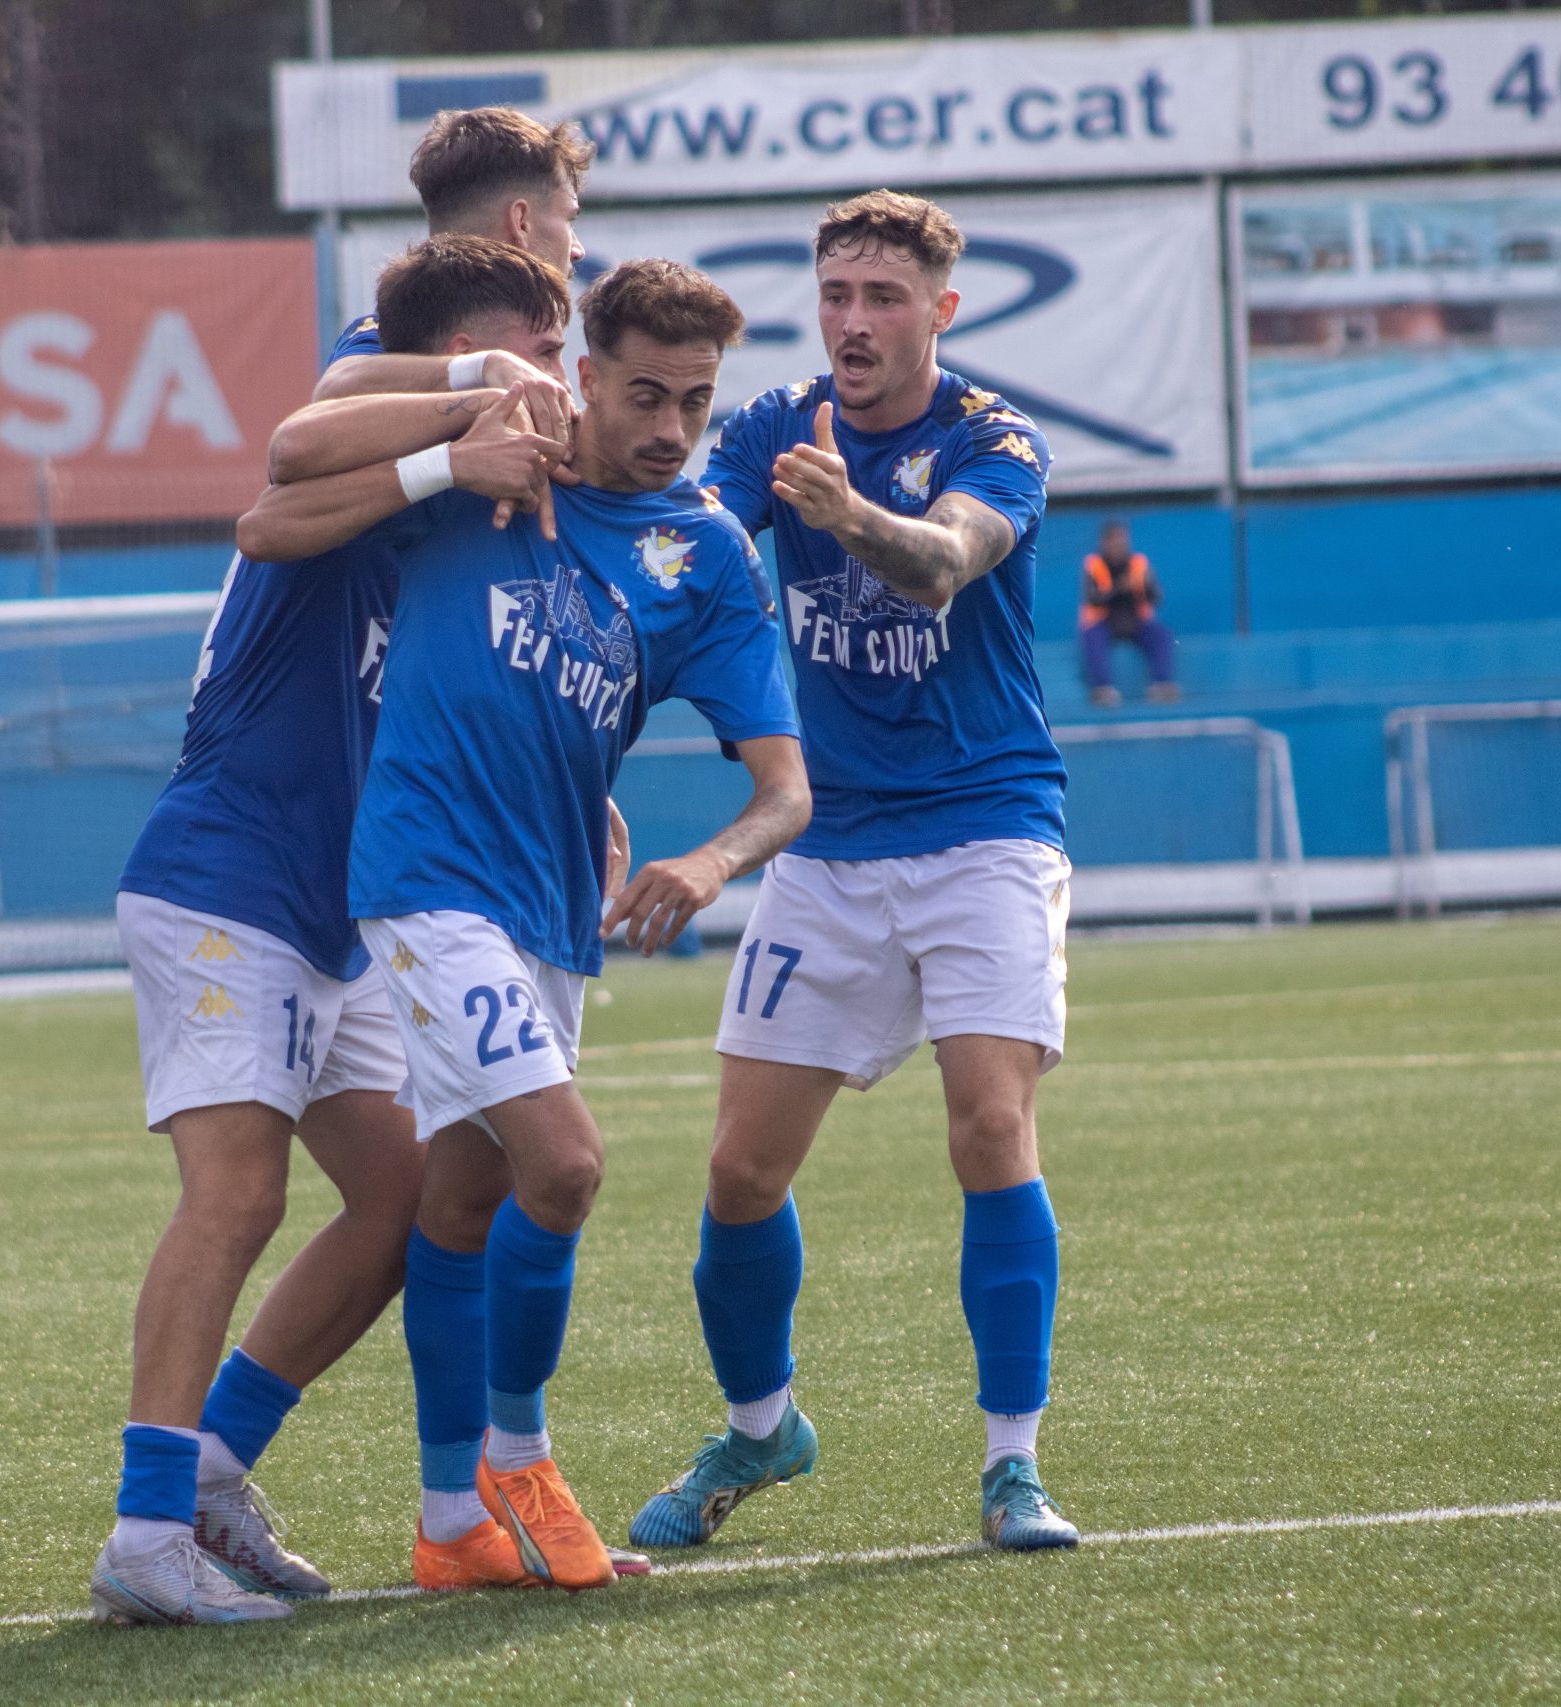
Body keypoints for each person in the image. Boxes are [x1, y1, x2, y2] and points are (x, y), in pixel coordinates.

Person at [240, 258, 810, 1594]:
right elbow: (278, 492)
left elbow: (785, 788)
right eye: (645, 394)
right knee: (566, 1166)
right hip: (425, 876)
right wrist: (455, 444)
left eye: (696, 402)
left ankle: (444, 1523)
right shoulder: (502, 457)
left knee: (464, 1196)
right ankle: (518, 1455)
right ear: (586, 376)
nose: (671, 427)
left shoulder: (705, 555)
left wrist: (710, 860)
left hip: (551, 909)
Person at [90, 236, 578, 1627]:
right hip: (227, 876)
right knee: (237, 1194)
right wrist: (455, 434)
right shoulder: (376, 420)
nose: (556, 376)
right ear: (459, 352)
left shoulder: (464, 497)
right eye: (539, 348)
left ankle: (211, 1469)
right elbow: (275, 494)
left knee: (407, 1202)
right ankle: (143, 1529)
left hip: (336, 907)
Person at [629, 189, 1083, 1558]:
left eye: (884, 297)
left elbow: (946, 561)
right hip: (826, 846)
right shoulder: (772, 428)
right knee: (740, 1169)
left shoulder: (995, 438)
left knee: (989, 1125)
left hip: (985, 825)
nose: (855, 321)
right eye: (836, 294)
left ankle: (1012, 1465)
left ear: (943, 309)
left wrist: (854, 516)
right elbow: (683, 558)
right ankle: (761, 1427)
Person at [315, 105, 591, 449]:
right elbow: (333, 390)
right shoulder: (397, 335)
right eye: (569, 219)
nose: (577, 249)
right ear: (521, 222)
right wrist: (484, 368)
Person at [1080, 521, 1177, 706]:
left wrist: (1143, 588)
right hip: (1104, 621)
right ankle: (1102, 689)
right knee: (1092, 637)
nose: (1119, 545)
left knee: (1161, 635)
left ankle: (1162, 684)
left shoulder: (1138, 563)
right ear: (1105, 542)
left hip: (1134, 620)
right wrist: (1120, 588)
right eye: (1114, 541)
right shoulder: (1094, 564)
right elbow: (1093, 598)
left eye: (1122, 540)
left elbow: (1156, 596)